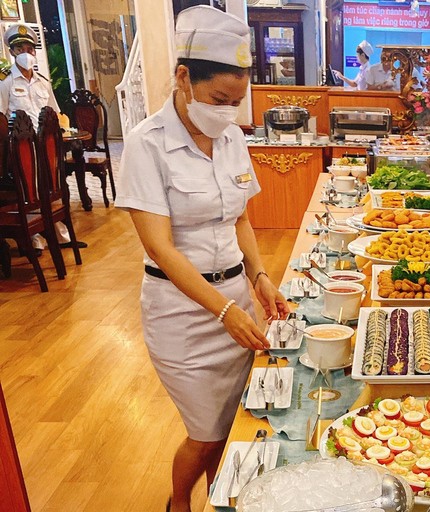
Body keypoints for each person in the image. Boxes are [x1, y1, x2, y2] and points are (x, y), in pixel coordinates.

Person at [114, 6, 290, 512]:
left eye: (236, 102)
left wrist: (259, 278)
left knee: (233, 422)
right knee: (206, 431)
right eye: (219, 99)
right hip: (183, 316)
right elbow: (160, 248)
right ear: (184, 77)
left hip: (235, 300)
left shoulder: (232, 137)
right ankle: (178, 504)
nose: (227, 112)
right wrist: (222, 311)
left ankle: (220, 499)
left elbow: (239, 219)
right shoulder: (148, 144)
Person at [0, 23, 81, 254]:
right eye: (19, 48)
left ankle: (60, 235)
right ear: (12, 52)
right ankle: (34, 239)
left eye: (29, 48)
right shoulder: (5, 81)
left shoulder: (43, 81)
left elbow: (54, 113)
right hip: (21, 149)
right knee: (28, 194)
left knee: (53, 189)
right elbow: (1, 118)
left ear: (34, 51)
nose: (25, 52)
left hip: (45, 147)